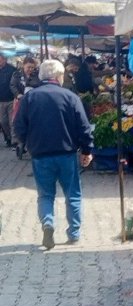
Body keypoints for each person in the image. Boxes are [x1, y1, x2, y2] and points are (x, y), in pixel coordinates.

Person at [13, 60, 93, 250]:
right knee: (72, 193)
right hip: (66, 154)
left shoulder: (29, 98)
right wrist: (87, 150)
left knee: (45, 195)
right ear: (59, 76)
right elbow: (84, 127)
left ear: (41, 76)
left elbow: (18, 127)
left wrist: (28, 143)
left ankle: (48, 223)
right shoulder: (70, 97)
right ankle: (73, 232)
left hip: (40, 155)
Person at [10, 56, 40, 156]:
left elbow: (39, 84)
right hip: (20, 101)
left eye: (32, 67)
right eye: (28, 67)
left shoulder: (37, 75)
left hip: (33, 101)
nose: (30, 69)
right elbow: (12, 85)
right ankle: (19, 141)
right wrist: (18, 94)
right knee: (17, 120)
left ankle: (31, 142)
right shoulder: (17, 74)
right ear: (24, 66)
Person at [0, 54, 16, 147]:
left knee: (12, 122)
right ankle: (8, 137)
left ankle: (14, 141)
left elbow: (14, 84)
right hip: (1, 100)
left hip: (11, 99)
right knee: (3, 121)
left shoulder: (12, 70)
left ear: (4, 59)